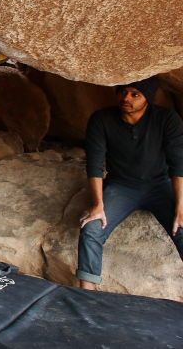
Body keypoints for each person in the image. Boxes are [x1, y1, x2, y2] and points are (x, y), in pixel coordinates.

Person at [77, 78, 183, 290]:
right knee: (92, 228)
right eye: (124, 92)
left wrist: (180, 206)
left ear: (148, 99)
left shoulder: (166, 119)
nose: (126, 98)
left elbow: (178, 163)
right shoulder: (102, 119)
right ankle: (85, 296)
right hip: (121, 187)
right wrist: (98, 204)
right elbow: (95, 163)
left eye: (136, 94)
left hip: (160, 186)